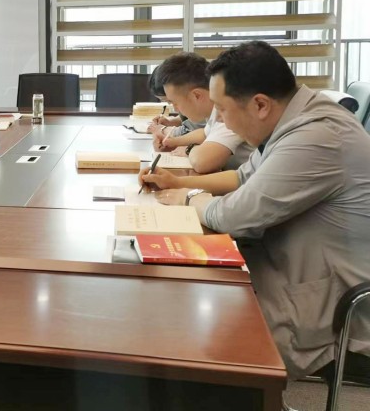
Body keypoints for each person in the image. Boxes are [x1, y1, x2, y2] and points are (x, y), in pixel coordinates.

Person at [140, 41, 370, 379]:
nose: (220, 121)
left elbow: (235, 216)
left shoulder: (318, 136)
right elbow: (243, 176)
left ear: (260, 104)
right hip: (288, 268)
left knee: (186, 344)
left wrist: (190, 199)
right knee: (176, 301)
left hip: (334, 305)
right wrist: (178, 183)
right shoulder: (296, 119)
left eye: (223, 109)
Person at [150, 52, 253, 173]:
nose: (176, 109)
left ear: (197, 95)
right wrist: (172, 142)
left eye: (175, 102)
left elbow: (202, 162)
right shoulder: (214, 109)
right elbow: (205, 133)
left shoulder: (228, 111)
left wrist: (189, 149)